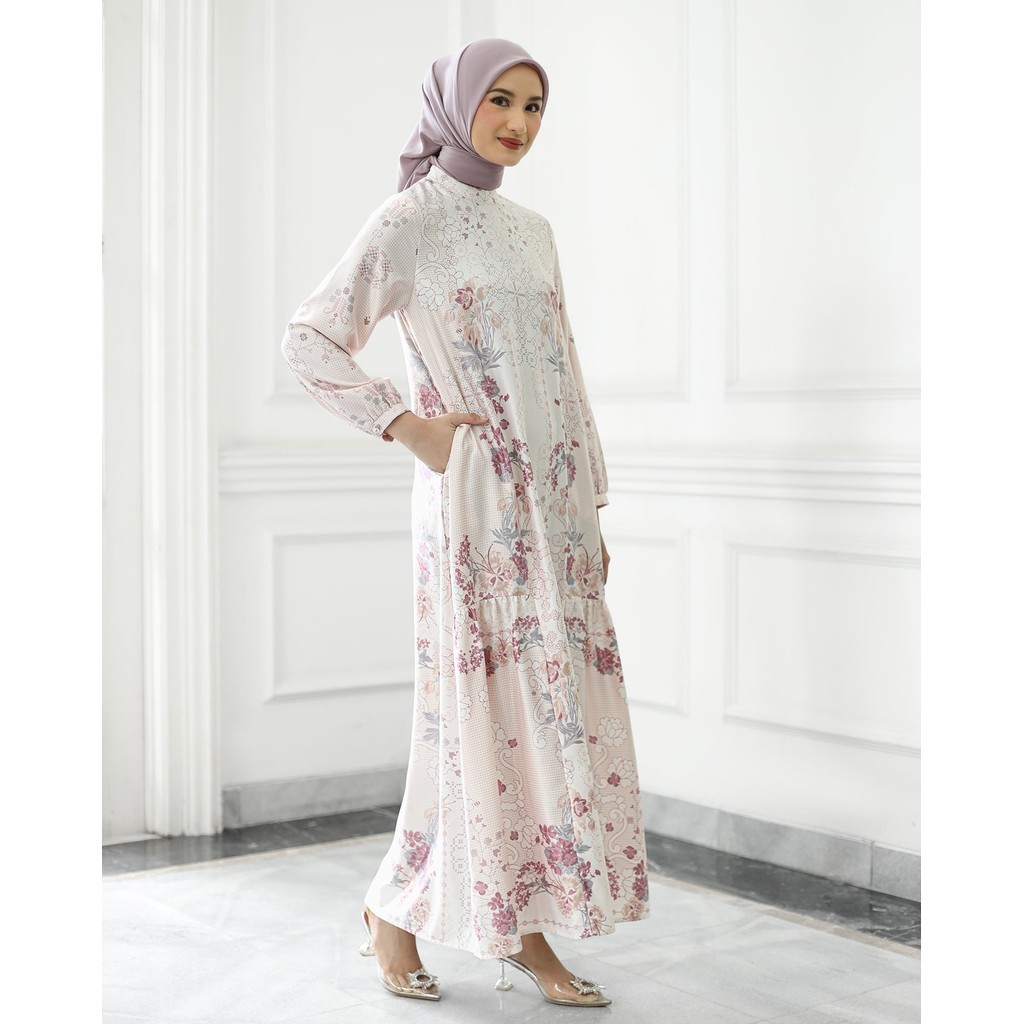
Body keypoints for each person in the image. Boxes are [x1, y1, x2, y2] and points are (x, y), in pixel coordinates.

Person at [281, 38, 649, 1008]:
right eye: (501, 101)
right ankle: (496, 927)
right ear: (454, 105)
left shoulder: (533, 231)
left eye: (534, 106)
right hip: (473, 505)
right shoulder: (409, 220)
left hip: (552, 512)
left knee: (539, 721)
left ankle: (426, 915)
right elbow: (309, 339)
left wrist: (590, 506)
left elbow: (563, 368)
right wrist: (406, 426)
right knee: (479, 722)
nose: (519, 123)